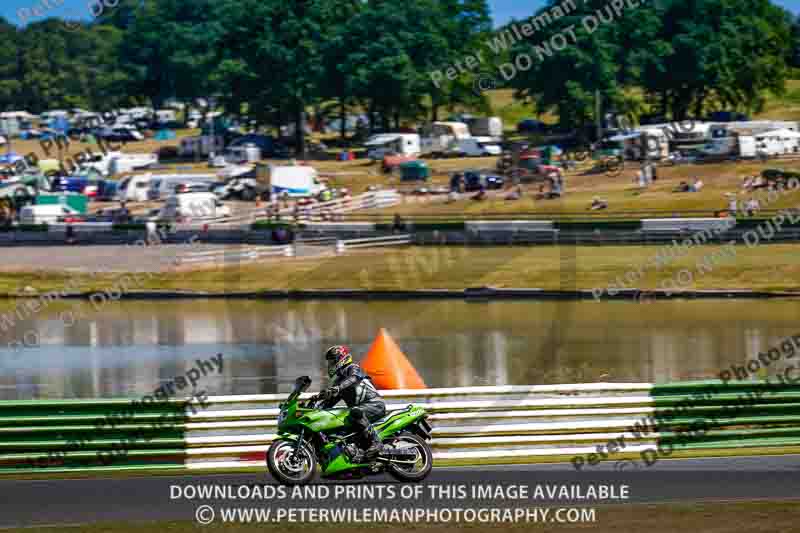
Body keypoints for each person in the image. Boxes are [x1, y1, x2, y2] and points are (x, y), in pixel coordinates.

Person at [316, 346, 385, 460]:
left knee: (354, 412)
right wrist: (313, 407)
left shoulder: (353, 368)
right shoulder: (338, 381)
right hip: (360, 411)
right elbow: (328, 403)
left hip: (374, 404)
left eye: (333, 360)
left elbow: (354, 378)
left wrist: (338, 388)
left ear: (341, 358)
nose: (330, 364)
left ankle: (376, 443)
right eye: (329, 362)